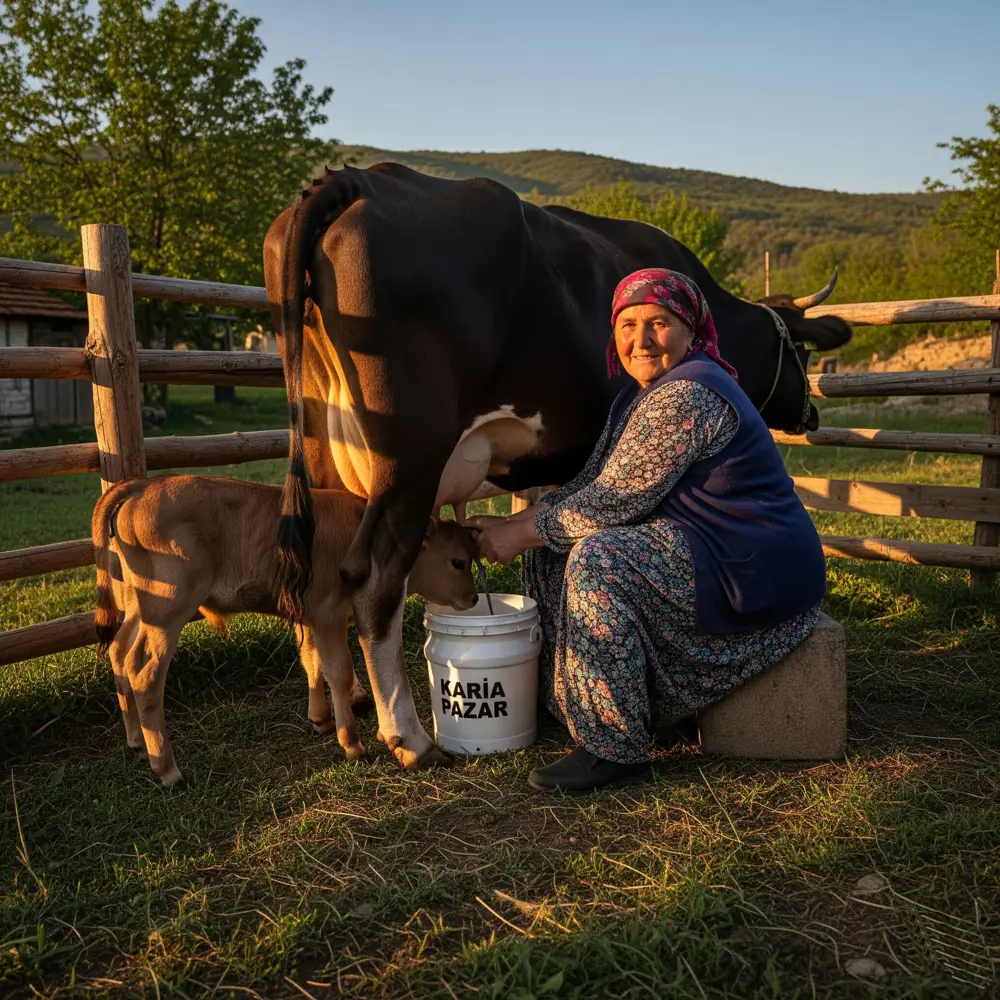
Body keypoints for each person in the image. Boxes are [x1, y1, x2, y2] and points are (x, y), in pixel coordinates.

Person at [468, 268, 826, 793]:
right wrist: (509, 528)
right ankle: (576, 705)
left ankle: (614, 748)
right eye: (627, 324)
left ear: (690, 328)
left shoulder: (687, 395)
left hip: (753, 568)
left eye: (658, 322)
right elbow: (590, 486)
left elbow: (610, 505)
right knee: (549, 551)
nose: (640, 339)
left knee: (599, 558)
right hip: (711, 548)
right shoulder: (643, 394)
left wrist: (513, 533)